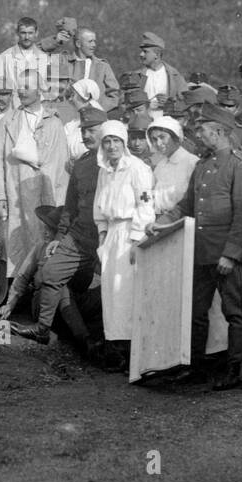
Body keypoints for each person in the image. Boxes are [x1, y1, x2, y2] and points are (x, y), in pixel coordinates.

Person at [150, 103, 242, 390]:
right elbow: (187, 205)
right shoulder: (202, 166)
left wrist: (232, 253)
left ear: (219, 131)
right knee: (196, 311)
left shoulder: (241, 165)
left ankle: (234, 369)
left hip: (227, 255)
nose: (198, 135)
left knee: (234, 312)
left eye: (202, 130)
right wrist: (160, 222)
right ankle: (197, 368)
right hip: (202, 253)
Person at [6, 107, 108, 360]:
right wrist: (60, 238)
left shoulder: (117, 162)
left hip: (109, 235)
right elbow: (71, 207)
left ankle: (113, 344)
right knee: (51, 272)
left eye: (92, 130)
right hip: (81, 236)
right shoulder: (82, 164)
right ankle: (43, 329)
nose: (86, 135)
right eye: (83, 130)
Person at [0, 68, 70, 273]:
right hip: (17, 192)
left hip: (47, 193)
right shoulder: (9, 121)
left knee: (46, 245)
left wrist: (62, 202)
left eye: (27, 87)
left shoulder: (54, 123)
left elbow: (62, 165)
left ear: (39, 90)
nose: (21, 91)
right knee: (18, 248)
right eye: (19, 87)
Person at [93, 119, 155, 345]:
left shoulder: (137, 168)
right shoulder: (104, 171)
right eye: (107, 141)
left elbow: (145, 204)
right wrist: (102, 237)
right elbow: (99, 205)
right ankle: (115, 343)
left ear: (124, 142)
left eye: (116, 141)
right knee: (111, 294)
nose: (112, 146)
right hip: (112, 235)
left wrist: (137, 240)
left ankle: (132, 347)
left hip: (130, 233)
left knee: (126, 291)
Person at [147, 116, 198, 212]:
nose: (158, 143)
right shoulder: (160, 165)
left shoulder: (192, 163)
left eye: (162, 137)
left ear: (176, 138)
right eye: (154, 139)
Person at [0, 17, 48, 108]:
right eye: (23, 33)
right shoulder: (3, 57)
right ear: (17, 33)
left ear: (36, 33)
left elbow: (47, 90)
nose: (27, 37)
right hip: (13, 108)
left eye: (30, 33)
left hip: (38, 109)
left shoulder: (45, 59)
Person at [65, 28, 120, 109]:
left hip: (96, 114)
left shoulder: (103, 66)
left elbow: (114, 93)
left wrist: (99, 109)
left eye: (94, 41)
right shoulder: (64, 64)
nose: (94, 45)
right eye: (90, 41)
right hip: (69, 112)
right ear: (78, 44)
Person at [136, 32, 187, 117]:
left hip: (167, 121)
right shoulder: (137, 76)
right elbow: (127, 103)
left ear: (157, 55)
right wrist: (147, 104)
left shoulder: (174, 75)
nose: (141, 54)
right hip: (143, 121)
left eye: (145, 52)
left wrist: (170, 103)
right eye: (142, 51)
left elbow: (186, 101)